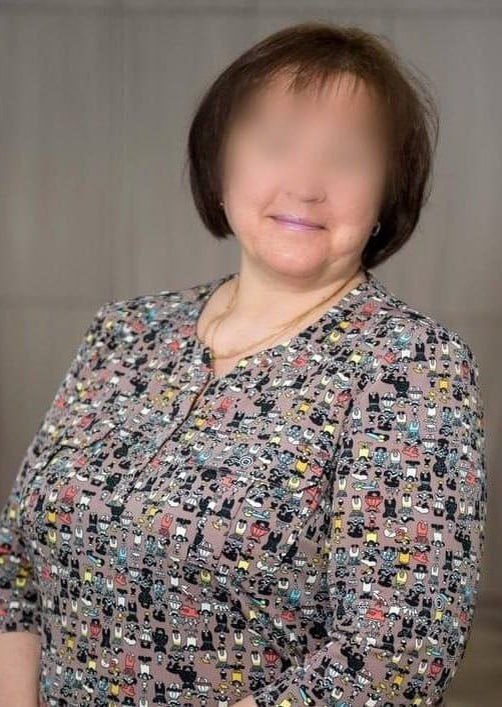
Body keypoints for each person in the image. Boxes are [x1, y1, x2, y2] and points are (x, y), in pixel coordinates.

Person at [0, 21, 487, 707]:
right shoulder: (124, 332)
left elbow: (394, 659)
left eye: (346, 158)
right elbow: (17, 573)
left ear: (386, 194)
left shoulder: (411, 367)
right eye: (276, 145)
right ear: (221, 166)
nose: (306, 184)